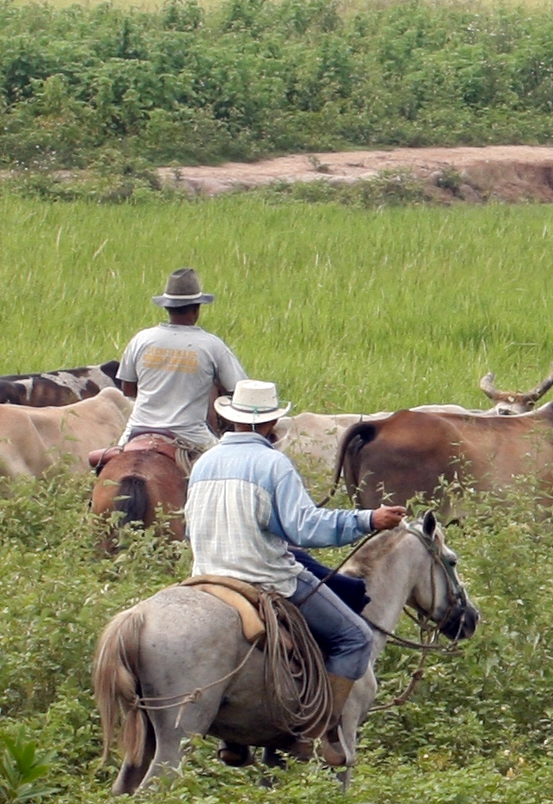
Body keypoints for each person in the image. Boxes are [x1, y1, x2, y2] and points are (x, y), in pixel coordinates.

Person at [184, 377, 406, 760]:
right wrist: (368, 519)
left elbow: (190, 528)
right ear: (270, 423)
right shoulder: (273, 463)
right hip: (264, 578)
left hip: (205, 575)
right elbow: (305, 527)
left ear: (233, 420)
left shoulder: (205, 462)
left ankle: (233, 737)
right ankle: (321, 732)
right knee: (355, 638)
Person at [117, 267, 245, 463]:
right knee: (228, 465)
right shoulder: (211, 345)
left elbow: (128, 388)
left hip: (137, 429)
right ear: (197, 309)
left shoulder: (141, 339)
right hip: (190, 434)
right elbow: (238, 390)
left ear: (167, 307)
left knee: (104, 466)